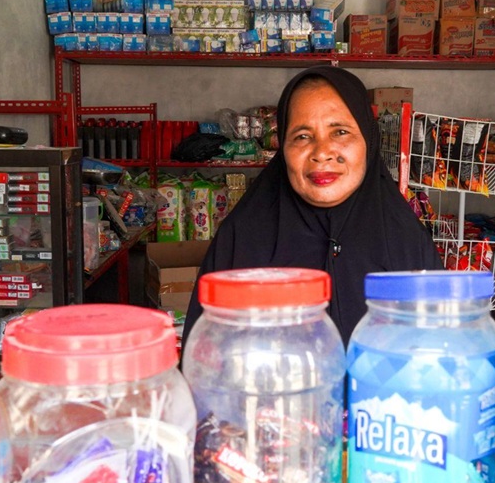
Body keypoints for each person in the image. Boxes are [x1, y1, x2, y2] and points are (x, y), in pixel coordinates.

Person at [182, 66, 443, 345]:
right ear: (283, 148)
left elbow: (440, 353)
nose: (321, 153)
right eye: (303, 136)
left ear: (368, 139)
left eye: (340, 132)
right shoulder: (242, 239)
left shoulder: (406, 241)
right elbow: (205, 354)